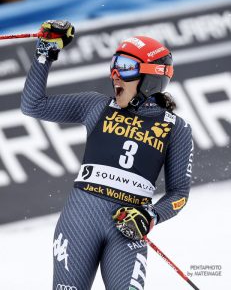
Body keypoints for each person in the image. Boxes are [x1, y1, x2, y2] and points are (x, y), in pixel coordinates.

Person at [21, 20, 193, 290]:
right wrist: (45, 52)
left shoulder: (176, 127)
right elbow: (33, 105)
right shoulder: (96, 105)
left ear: (151, 78)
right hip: (79, 223)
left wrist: (150, 216)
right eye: (114, 64)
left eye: (125, 67)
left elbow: (179, 195)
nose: (115, 74)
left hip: (126, 232)